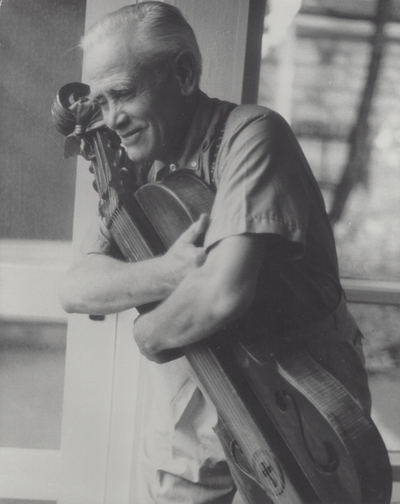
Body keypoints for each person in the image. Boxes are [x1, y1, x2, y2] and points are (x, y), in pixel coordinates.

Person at [59, 3, 372, 503]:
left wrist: (147, 332)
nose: (112, 119)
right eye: (100, 102)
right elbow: (74, 289)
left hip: (294, 398)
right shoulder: (142, 164)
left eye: (122, 93)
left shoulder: (254, 134)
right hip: (192, 401)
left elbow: (222, 294)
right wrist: (169, 272)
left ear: (183, 73)